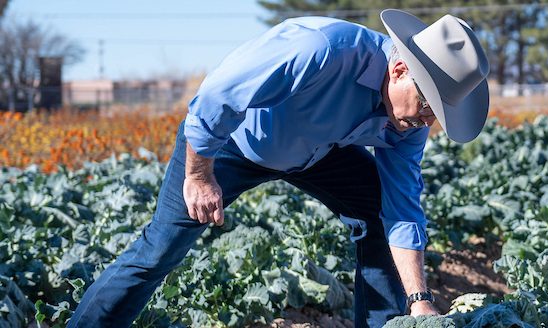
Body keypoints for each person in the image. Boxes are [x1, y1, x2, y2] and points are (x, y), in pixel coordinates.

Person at [67, 9, 489, 328]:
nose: (425, 124)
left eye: (435, 115)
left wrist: (419, 299)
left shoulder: (409, 120)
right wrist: (198, 175)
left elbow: (403, 207)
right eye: (427, 107)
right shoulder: (320, 50)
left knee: (377, 212)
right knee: (160, 249)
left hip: (317, 154)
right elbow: (217, 99)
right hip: (232, 143)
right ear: (399, 70)